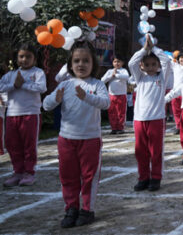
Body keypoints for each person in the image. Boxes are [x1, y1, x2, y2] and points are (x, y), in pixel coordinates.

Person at [43, 41, 110, 228]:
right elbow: (45, 105)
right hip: (66, 139)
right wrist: (53, 99)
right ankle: (71, 208)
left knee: (89, 177)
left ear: (93, 64)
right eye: (77, 60)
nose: (81, 64)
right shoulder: (65, 85)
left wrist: (86, 96)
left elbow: (106, 103)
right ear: (70, 64)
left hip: (90, 139)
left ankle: (87, 209)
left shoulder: (97, 84)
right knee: (68, 176)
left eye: (86, 61)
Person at [0, 44, 47, 187]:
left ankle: (29, 172)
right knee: (13, 144)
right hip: (12, 114)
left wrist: (23, 84)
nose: (24, 59)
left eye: (28, 56)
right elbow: (1, 86)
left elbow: (42, 87)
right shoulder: (11, 75)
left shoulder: (38, 72)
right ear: (17, 58)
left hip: (31, 114)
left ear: (34, 58)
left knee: (29, 145)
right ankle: (18, 172)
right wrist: (14, 85)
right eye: (21, 56)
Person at [128, 34, 170, 192]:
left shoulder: (162, 78)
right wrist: (144, 49)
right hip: (139, 120)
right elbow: (132, 62)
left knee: (156, 151)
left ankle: (156, 178)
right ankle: (143, 178)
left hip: (156, 119)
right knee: (141, 151)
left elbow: (166, 61)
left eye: (154, 64)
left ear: (158, 65)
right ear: (142, 66)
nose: (151, 67)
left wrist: (154, 48)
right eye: (147, 64)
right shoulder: (140, 78)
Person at [101, 56, 130, 134]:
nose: (117, 63)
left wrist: (117, 75)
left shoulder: (124, 71)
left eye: (118, 61)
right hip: (111, 95)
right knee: (112, 112)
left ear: (122, 63)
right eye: (115, 62)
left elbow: (127, 77)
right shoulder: (110, 71)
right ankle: (114, 128)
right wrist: (111, 75)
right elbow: (102, 80)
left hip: (121, 95)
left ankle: (120, 128)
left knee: (121, 112)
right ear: (112, 63)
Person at [170, 51, 183, 134]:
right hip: (175, 93)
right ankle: (178, 126)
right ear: (178, 59)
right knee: (176, 111)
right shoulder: (175, 66)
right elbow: (166, 59)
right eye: (181, 58)